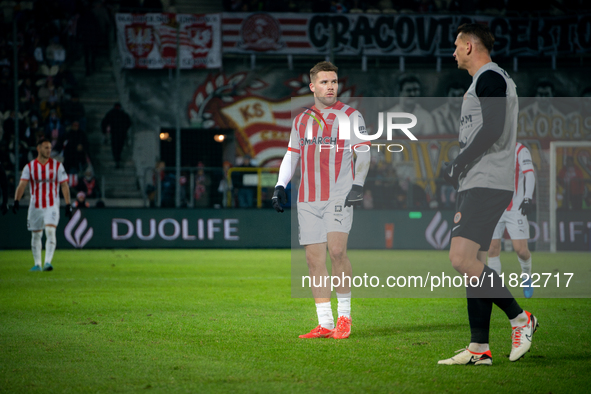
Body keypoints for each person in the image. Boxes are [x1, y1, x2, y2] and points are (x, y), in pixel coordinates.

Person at [438, 23, 538, 366]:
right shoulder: (488, 79)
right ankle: (479, 347)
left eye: (455, 46)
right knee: (474, 265)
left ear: (468, 46)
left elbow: (493, 127)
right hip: (481, 180)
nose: (452, 52)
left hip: (486, 181)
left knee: (461, 260)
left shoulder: (490, 77)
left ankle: (521, 319)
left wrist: (458, 163)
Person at [272, 61, 371, 339]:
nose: (331, 87)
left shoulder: (351, 116)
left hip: (339, 195)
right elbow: (292, 155)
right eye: (325, 82)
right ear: (313, 86)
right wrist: (280, 185)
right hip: (307, 198)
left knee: (337, 252)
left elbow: (363, 153)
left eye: (334, 82)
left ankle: (344, 318)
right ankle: (325, 322)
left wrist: (358, 185)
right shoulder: (301, 120)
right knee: (313, 260)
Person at [12, 138, 73, 272]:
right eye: (46, 147)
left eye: (50, 147)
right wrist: (16, 200)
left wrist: (68, 204)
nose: (49, 150)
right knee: (36, 235)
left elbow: (64, 185)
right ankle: (37, 264)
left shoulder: (57, 166)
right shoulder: (30, 167)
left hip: (51, 205)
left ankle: (47, 263)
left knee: (50, 231)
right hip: (35, 206)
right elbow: (22, 184)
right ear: (38, 148)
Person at [487, 142, 536, 298]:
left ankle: (526, 276)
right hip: (494, 207)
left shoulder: (520, 149)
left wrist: (528, 198)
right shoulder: (489, 148)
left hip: (515, 208)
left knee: (521, 250)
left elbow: (529, 173)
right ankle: (495, 288)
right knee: (492, 248)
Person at [101, 103, 131, 169]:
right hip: (118, 134)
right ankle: (117, 159)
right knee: (117, 147)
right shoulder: (120, 114)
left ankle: (117, 159)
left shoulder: (113, 113)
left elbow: (128, 122)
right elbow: (128, 123)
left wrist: (104, 132)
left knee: (117, 148)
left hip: (118, 134)